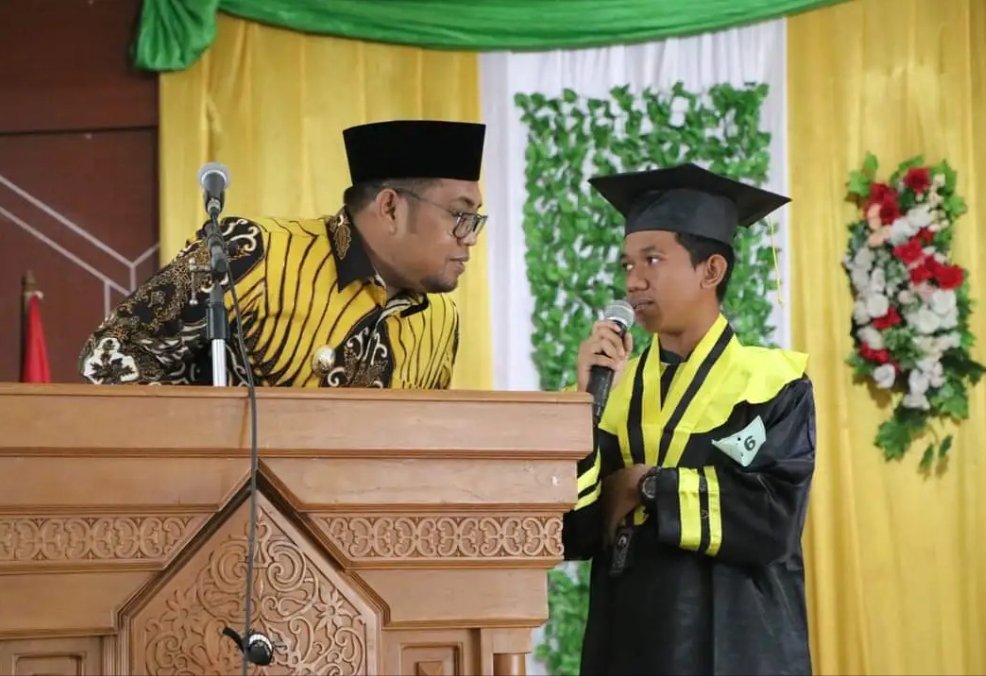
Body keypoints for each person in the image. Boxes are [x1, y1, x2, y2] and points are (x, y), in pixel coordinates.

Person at [566, 162, 816, 675]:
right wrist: (583, 405)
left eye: (652, 260)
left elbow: (772, 520)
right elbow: (575, 532)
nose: (633, 281)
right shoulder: (616, 390)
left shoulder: (773, 385)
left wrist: (646, 484)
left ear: (711, 271)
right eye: (627, 265)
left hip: (742, 648)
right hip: (628, 647)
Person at [77, 120, 487, 389]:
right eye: (460, 215)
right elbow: (108, 359)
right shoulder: (252, 252)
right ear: (391, 208)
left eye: (475, 221)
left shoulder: (440, 320)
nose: (469, 238)